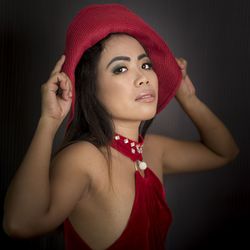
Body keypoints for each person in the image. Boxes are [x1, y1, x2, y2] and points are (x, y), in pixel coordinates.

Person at [3, 3, 239, 250]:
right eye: (121, 68)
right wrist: (48, 123)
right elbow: (20, 223)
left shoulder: (153, 150)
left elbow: (225, 152)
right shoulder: (84, 158)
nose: (144, 77)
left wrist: (189, 99)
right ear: (90, 88)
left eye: (146, 65)